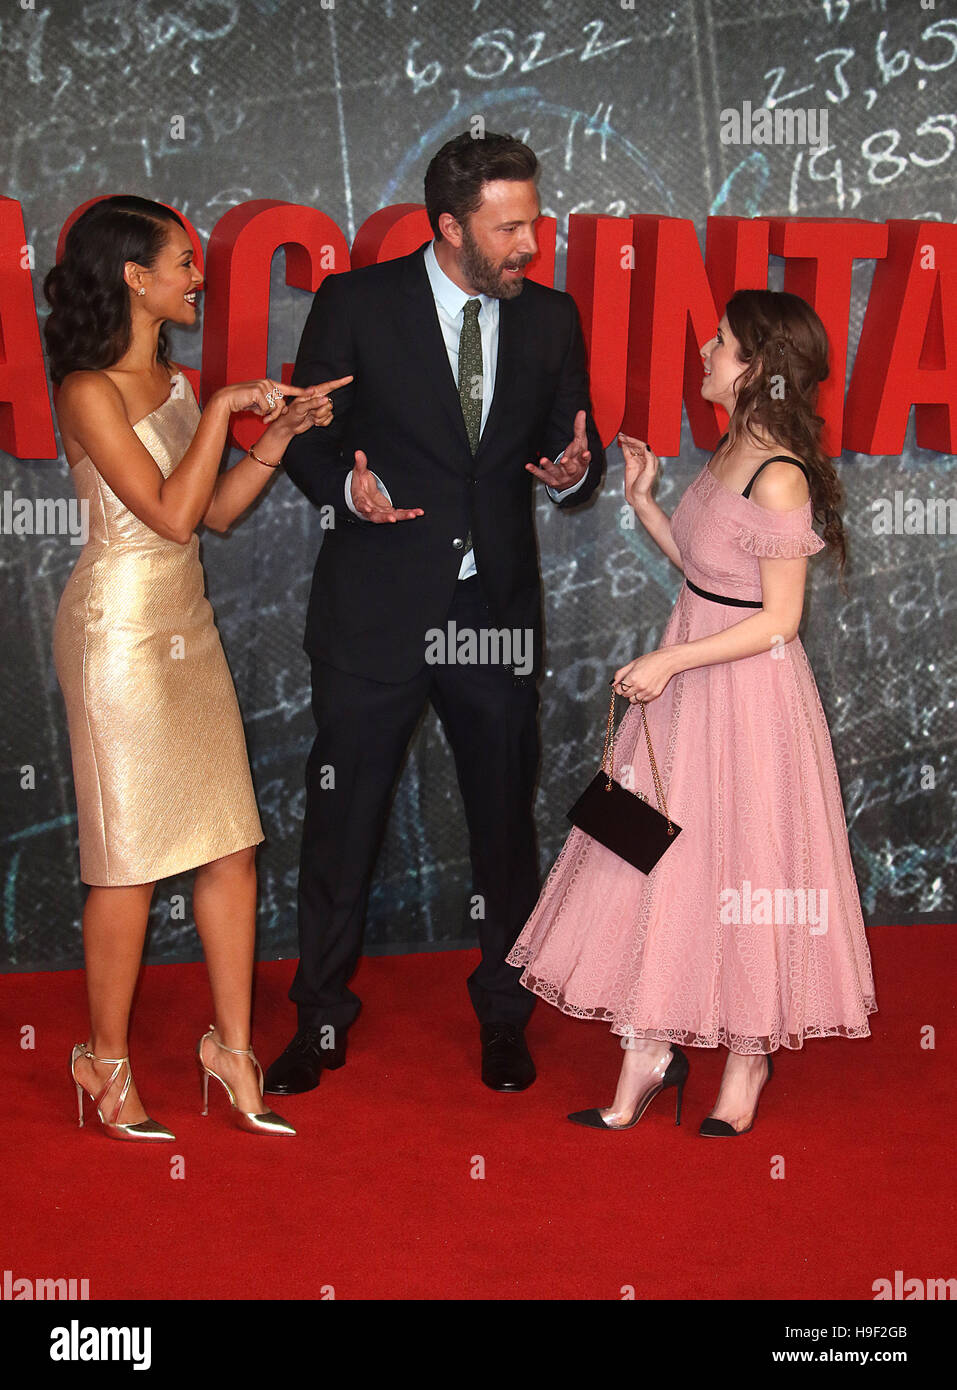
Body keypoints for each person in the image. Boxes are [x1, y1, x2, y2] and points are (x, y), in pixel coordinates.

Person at [264, 131, 605, 1097]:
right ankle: (320, 1020)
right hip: (375, 610)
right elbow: (299, 440)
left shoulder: (548, 317)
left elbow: (567, 445)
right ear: (448, 226)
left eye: (533, 222)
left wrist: (576, 474)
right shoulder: (355, 304)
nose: (529, 245)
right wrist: (347, 489)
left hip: (491, 611)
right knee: (343, 821)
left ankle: (504, 1014)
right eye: (508, 228)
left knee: (502, 821)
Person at [507, 289, 877, 1135]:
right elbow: (709, 579)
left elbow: (778, 620)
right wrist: (643, 502)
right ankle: (649, 1047)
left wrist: (669, 660)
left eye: (719, 343)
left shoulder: (778, 474)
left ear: (755, 367)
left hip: (745, 695)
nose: (705, 352)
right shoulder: (729, 446)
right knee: (655, 858)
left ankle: (747, 1055)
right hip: (684, 683)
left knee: (745, 862)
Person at [46, 195, 350, 1140]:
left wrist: (280, 432)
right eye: (182, 261)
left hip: (186, 626)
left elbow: (214, 513)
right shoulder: (88, 390)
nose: (197, 275)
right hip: (115, 640)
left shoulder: (174, 385)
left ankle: (230, 1048)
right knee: (128, 867)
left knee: (230, 843)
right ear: (135, 278)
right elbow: (167, 517)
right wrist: (222, 403)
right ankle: (103, 1060)